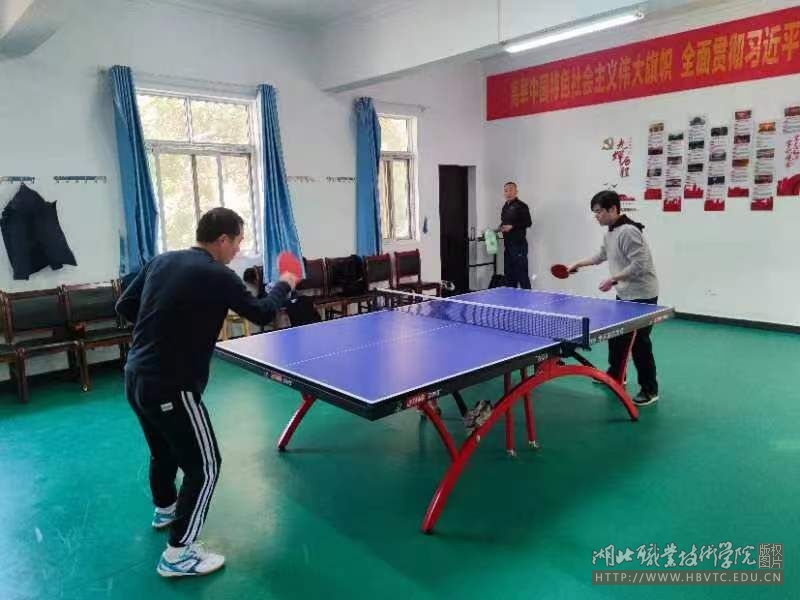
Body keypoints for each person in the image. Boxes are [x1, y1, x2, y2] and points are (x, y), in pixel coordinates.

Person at [116, 207, 298, 577]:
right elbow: (262, 312)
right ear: (222, 240)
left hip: (135, 377)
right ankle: (178, 555)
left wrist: (162, 330)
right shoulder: (217, 274)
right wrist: (287, 281)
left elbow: (124, 305)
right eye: (238, 242)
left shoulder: (162, 260)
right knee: (206, 465)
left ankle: (165, 509)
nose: (238, 249)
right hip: (172, 384)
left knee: (163, 450)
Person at [565, 190, 660, 406]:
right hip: (625, 293)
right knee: (617, 336)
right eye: (594, 212)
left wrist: (613, 279)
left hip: (643, 295)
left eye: (599, 211)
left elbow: (640, 265)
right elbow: (601, 255)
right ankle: (616, 375)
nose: (596, 216)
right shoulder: (611, 232)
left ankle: (650, 389)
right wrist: (578, 264)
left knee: (639, 343)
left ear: (613, 209)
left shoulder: (629, 232)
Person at [497, 181, 533, 289]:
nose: (508, 193)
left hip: (519, 246)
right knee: (509, 275)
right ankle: (511, 298)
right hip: (507, 246)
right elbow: (504, 222)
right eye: (506, 190)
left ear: (516, 192)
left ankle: (528, 298)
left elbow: (528, 222)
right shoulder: (505, 206)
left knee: (522, 275)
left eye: (510, 190)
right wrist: (498, 229)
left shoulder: (522, 206)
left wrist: (512, 227)